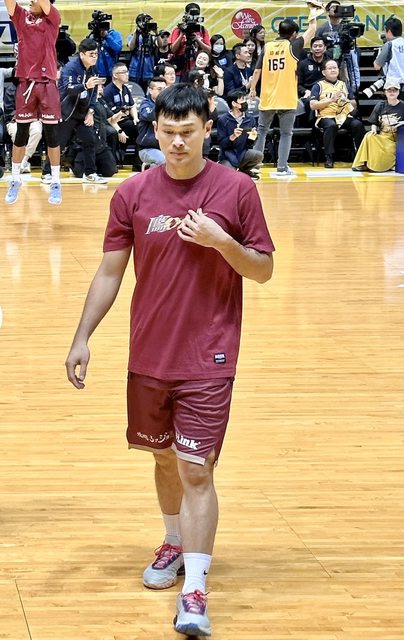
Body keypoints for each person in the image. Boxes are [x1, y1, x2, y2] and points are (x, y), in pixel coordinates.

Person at [65, 83, 274, 638]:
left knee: (195, 468)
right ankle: (175, 541)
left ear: (207, 129)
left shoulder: (236, 190)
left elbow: (262, 270)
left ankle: (196, 589)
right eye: (168, 132)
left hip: (209, 355)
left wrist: (221, 241)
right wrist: (82, 336)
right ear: (155, 130)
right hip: (149, 355)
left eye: (188, 132)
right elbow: (110, 271)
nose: (178, 142)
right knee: (163, 460)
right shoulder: (132, 193)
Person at [249, 3, 323, 177]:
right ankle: (282, 167)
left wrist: (253, 89)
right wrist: (313, 12)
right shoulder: (293, 46)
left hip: (268, 97)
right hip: (287, 97)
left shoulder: (267, 47)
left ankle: (255, 166)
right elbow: (312, 30)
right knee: (286, 133)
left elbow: (257, 71)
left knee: (261, 132)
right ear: (294, 34)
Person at [4, 0, 62, 206]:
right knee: (21, 133)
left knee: (51, 135)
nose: (31, 1)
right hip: (26, 83)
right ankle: (15, 178)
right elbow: (9, 2)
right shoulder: (22, 17)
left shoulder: (53, 17)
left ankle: (55, 181)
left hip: (47, 84)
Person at [59, 38, 108, 183]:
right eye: (91, 54)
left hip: (82, 111)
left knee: (90, 140)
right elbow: (68, 89)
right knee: (59, 143)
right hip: (67, 111)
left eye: (96, 54)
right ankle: (47, 172)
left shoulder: (94, 69)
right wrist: (85, 86)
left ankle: (90, 173)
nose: (94, 57)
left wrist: (90, 111)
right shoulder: (70, 67)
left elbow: (94, 92)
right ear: (82, 54)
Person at [310, 58, 365, 167]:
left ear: (338, 70)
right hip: (325, 116)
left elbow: (354, 103)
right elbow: (313, 105)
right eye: (330, 68)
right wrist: (331, 100)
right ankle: (329, 157)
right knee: (331, 125)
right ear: (324, 72)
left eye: (335, 68)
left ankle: (361, 156)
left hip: (343, 115)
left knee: (357, 124)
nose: (333, 70)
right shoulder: (318, 85)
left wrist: (346, 100)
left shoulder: (344, 85)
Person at [352, 80, 404, 172]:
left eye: (394, 90)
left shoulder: (403, 105)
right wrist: (373, 129)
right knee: (369, 135)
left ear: (398, 92)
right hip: (383, 138)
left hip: (396, 141)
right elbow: (374, 122)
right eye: (389, 90)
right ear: (385, 92)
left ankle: (378, 165)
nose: (392, 92)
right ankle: (363, 163)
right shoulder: (380, 105)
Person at [315, 1, 360, 92]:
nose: (336, 9)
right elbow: (316, 44)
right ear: (327, 11)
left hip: (344, 60)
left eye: (338, 7)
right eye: (333, 7)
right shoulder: (322, 29)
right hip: (328, 61)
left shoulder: (347, 27)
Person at [217, 89, 262, 177]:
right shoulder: (223, 120)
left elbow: (250, 144)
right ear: (234, 103)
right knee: (231, 176)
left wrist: (253, 137)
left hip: (243, 153)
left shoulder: (250, 119)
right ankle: (228, 167)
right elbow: (222, 144)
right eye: (242, 100)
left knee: (258, 155)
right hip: (227, 155)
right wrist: (233, 136)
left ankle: (243, 170)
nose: (245, 102)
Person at [169, 2, 211, 78]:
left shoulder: (202, 30)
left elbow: (208, 50)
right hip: (180, 69)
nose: (194, 16)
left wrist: (198, 40)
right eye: (192, 13)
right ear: (186, 14)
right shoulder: (178, 29)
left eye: (197, 14)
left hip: (197, 69)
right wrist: (182, 34)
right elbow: (173, 50)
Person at [136, 76, 167, 168]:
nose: (163, 92)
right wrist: (160, 103)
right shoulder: (145, 104)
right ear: (150, 90)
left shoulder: (169, 105)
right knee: (163, 160)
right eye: (159, 89)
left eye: (164, 89)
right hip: (147, 148)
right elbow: (150, 116)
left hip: (165, 147)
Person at [374, 17, 404, 100]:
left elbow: (377, 66)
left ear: (389, 31)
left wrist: (379, 52)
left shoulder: (389, 45)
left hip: (393, 86)